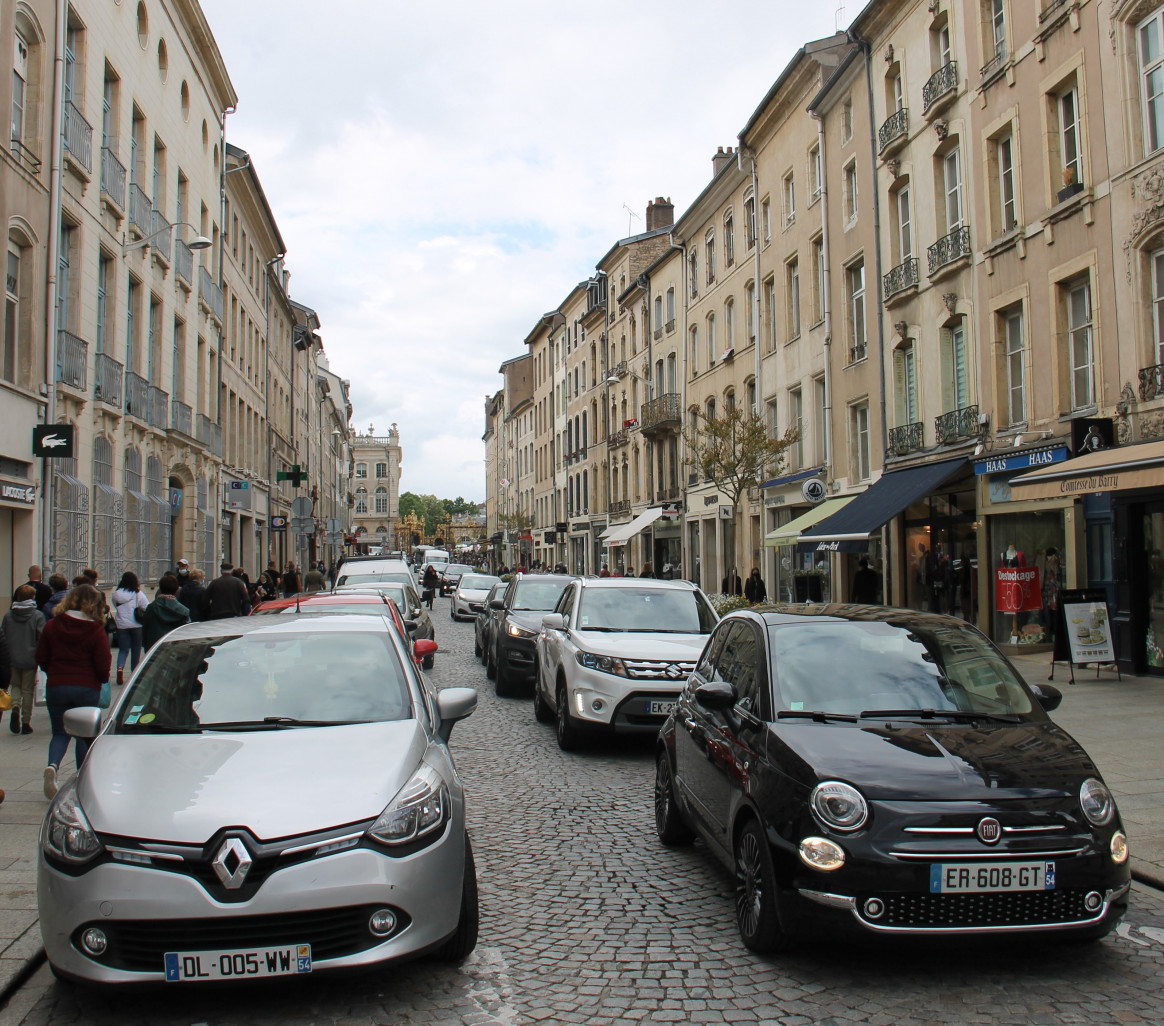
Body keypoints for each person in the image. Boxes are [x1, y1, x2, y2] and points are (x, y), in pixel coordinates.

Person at [37, 583, 111, 799]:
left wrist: (53, 671)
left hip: (57, 685)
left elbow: (41, 656)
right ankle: (81, 777)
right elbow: (102, 662)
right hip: (86, 687)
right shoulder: (95, 629)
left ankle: (52, 766)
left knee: (59, 732)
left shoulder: (52, 625)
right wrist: (101, 679)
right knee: (83, 735)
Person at [3, 584, 45, 734]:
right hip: (30, 658)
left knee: (15, 686)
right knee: (27, 690)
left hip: (12, 657)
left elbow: (4, 637)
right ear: (32, 598)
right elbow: (41, 638)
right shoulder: (37, 615)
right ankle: (26, 722)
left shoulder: (8, 616)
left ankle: (15, 706)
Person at [111, 572, 148, 685]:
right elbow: (146, 607)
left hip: (122, 625)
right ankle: (134, 674)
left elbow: (115, 605)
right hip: (136, 625)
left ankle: (120, 668)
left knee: (123, 649)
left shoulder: (116, 594)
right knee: (136, 650)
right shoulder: (138, 594)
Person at [142, 574, 191, 650]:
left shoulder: (151, 608)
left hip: (154, 647)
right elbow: (186, 634)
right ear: (176, 590)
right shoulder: (184, 611)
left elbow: (145, 630)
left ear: (160, 588)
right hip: (174, 649)